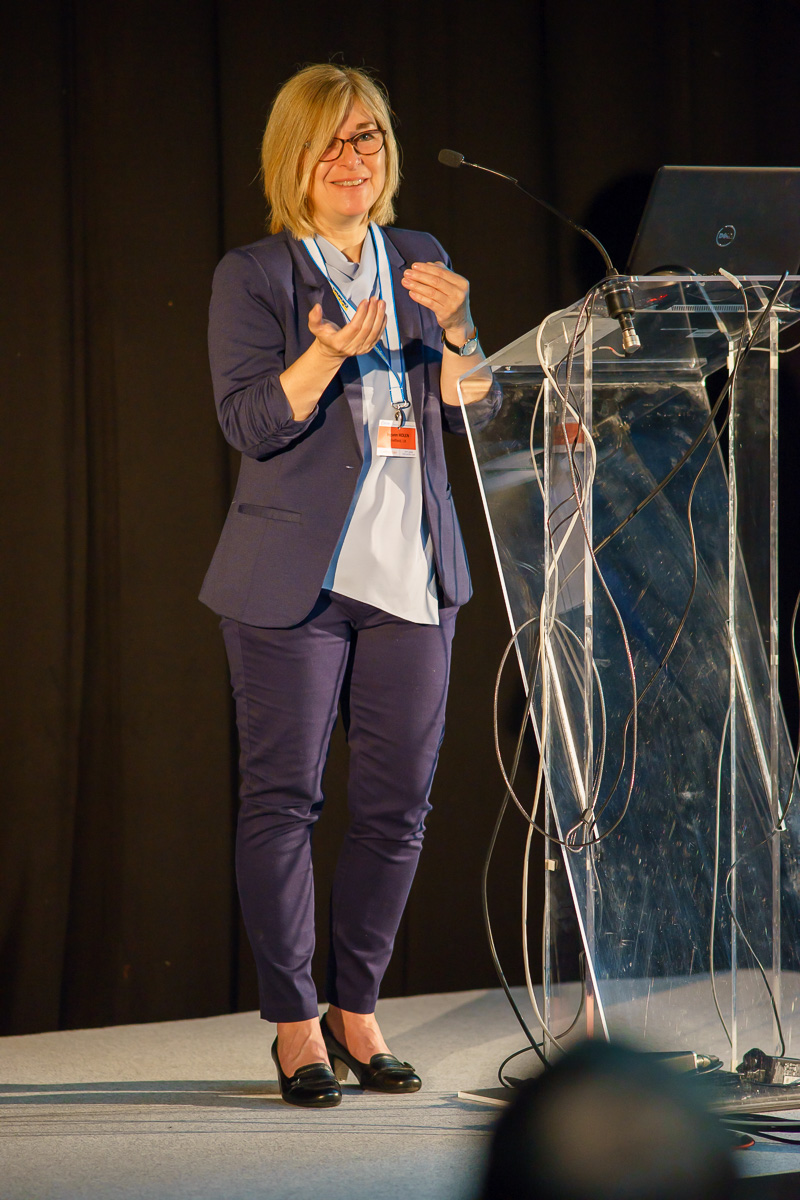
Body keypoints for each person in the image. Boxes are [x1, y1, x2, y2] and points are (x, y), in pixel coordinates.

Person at [200, 63, 496, 1109]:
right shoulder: (255, 274)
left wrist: (462, 331)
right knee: (283, 800)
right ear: (293, 157)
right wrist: (325, 356)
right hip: (296, 581)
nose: (351, 157)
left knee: (397, 806)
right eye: (329, 140)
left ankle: (355, 1010)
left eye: (366, 136)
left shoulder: (418, 255)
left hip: (411, 572)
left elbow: (470, 403)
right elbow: (247, 422)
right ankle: (295, 1024)